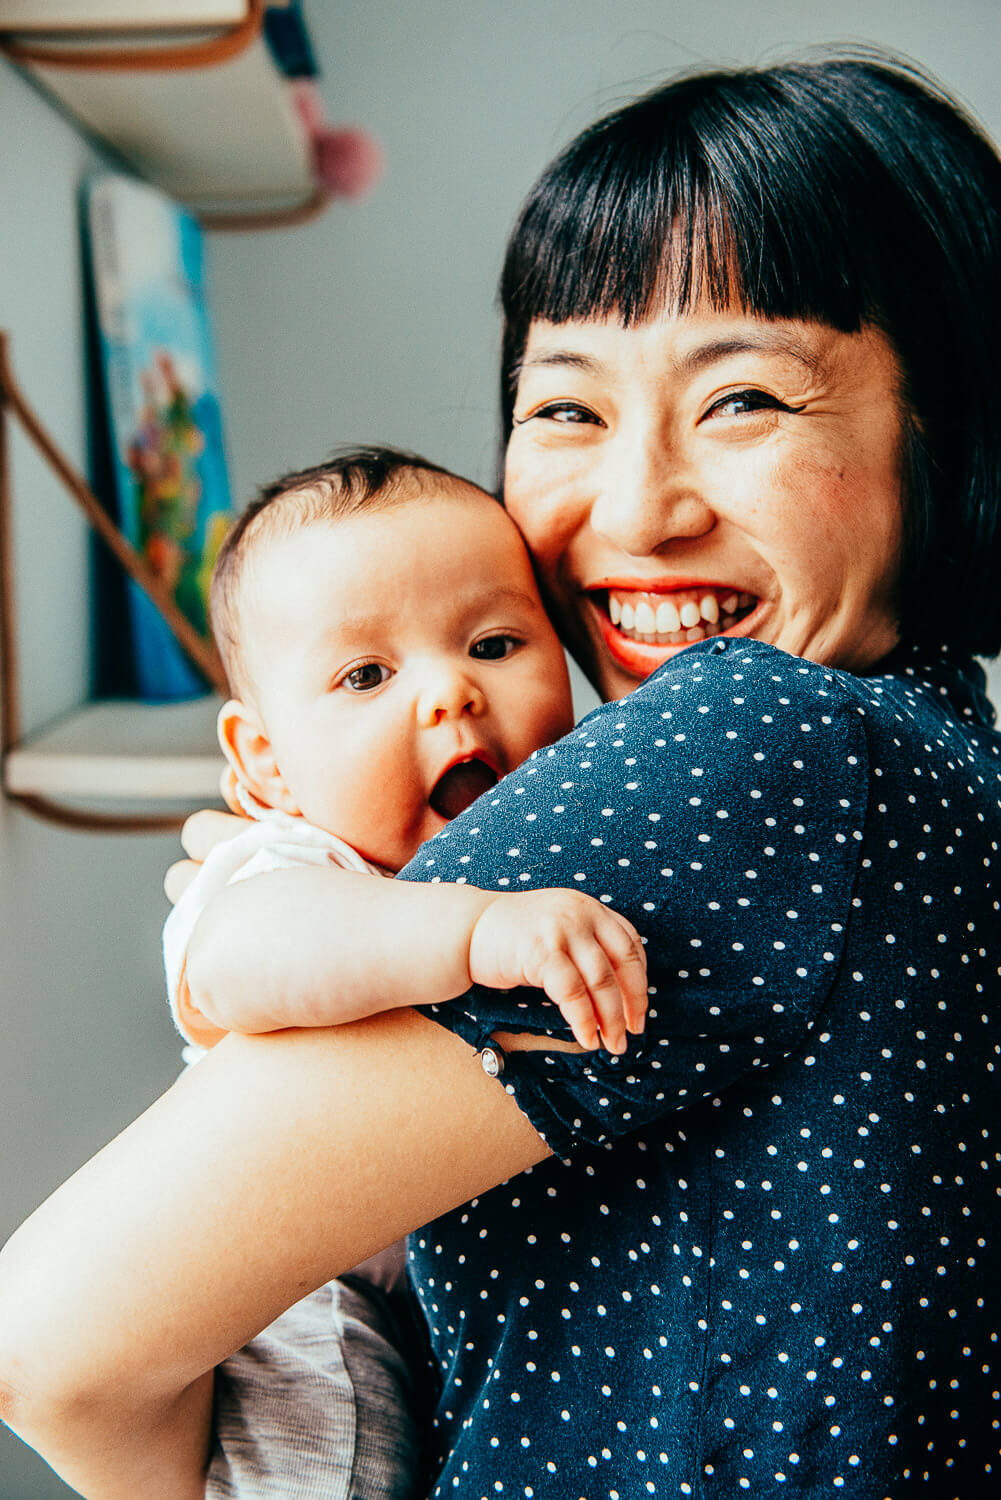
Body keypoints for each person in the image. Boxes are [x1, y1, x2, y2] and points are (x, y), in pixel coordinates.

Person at [2, 53, 1000, 1500]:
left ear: (950, 431)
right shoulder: (937, 763)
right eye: (569, 411)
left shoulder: (756, 745)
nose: (636, 511)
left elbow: (54, 1345)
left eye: (745, 403)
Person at [158, 444, 646, 1499]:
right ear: (266, 765)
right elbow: (245, 961)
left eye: (495, 641)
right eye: (365, 675)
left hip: (454, 1287)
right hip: (300, 1292)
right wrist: (471, 933)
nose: (450, 693)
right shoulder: (285, 863)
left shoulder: (556, 842)